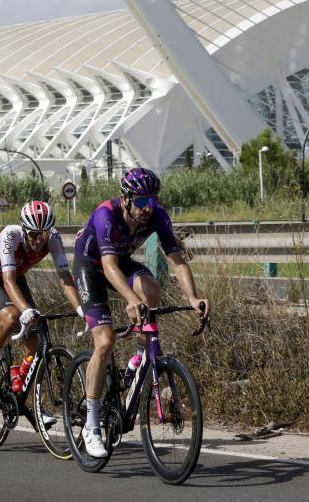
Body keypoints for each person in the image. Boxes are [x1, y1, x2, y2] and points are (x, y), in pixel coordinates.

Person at [73, 167, 210, 457]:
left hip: (120, 262)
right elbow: (108, 268)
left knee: (152, 291)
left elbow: (177, 261)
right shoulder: (105, 214)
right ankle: (91, 425)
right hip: (92, 267)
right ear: (126, 199)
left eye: (152, 201)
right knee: (105, 342)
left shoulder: (157, 213)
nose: (148, 208)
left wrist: (193, 297)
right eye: (141, 202)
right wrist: (130, 299)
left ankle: (138, 358)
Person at [0, 200, 82, 423]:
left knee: (35, 341)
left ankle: (21, 388)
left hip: (15, 278)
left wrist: (81, 309)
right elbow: (8, 280)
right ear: (24, 229)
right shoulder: (11, 235)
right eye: (33, 234)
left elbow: (65, 278)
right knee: (12, 317)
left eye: (43, 234)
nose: (39, 240)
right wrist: (25, 310)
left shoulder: (53, 238)